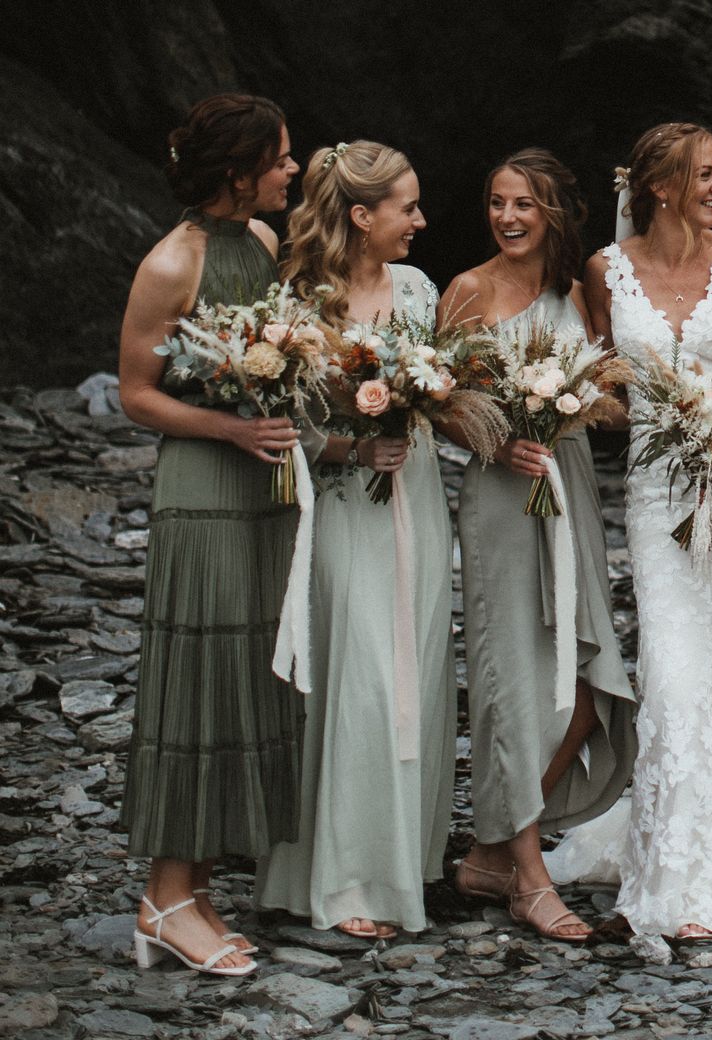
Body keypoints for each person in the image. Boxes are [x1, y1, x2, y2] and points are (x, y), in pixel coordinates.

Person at [548, 122, 712, 939]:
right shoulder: (605, 270)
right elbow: (598, 389)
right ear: (658, 186)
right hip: (661, 489)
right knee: (680, 670)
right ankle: (679, 880)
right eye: (704, 174)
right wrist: (641, 411)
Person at [118, 93, 301, 977]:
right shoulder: (171, 261)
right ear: (239, 173)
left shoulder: (261, 246)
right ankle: (164, 899)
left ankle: (194, 889)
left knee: (244, 675)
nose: (293, 172)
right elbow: (135, 394)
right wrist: (231, 429)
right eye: (280, 160)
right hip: (203, 488)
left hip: (266, 487)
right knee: (196, 679)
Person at [254, 140, 456, 939]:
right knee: (363, 680)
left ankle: (404, 863)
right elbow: (287, 427)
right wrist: (351, 447)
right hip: (347, 511)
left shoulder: (415, 288)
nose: (421, 220)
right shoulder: (303, 305)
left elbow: (447, 389)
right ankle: (345, 881)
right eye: (407, 207)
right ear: (362, 215)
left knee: (421, 674)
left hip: (421, 502)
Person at [441, 149, 636, 942]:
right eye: (496, 203)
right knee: (514, 684)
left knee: (588, 690)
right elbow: (436, 400)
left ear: (554, 212)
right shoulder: (469, 290)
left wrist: (581, 401)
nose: (509, 218)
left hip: (572, 488)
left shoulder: (577, 291)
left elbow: (617, 402)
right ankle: (527, 876)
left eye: (524, 204)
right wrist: (497, 433)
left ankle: (492, 849)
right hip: (501, 498)